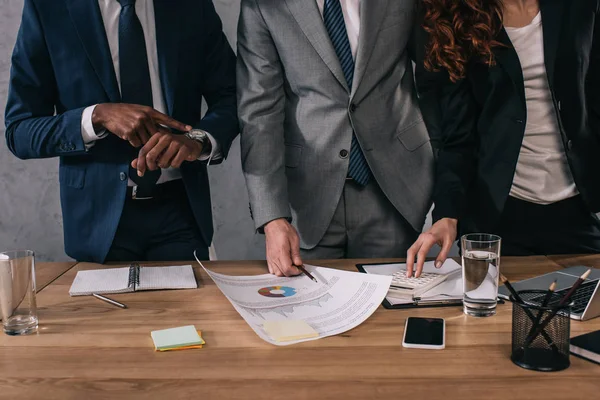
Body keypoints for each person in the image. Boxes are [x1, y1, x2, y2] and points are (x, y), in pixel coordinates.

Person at [5, 0, 238, 263]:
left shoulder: (190, 5)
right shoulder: (48, 7)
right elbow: (20, 131)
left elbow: (232, 96)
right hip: (97, 220)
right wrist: (96, 117)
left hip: (181, 210)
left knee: (192, 305)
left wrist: (196, 141)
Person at [238, 0, 434, 277]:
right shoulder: (263, 5)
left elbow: (440, 73)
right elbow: (259, 113)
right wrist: (272, 217)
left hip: (393, 190)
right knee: (309, 315)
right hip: (306, 200)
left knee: (390, 312)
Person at [408, 0, 600, 277]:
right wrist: (446, 214)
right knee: (492, 318)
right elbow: (458, 139)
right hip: (497, 216)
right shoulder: (456, 20)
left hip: (577, 208)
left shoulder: (579, 6)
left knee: (586, 315)